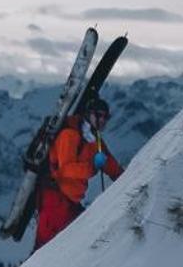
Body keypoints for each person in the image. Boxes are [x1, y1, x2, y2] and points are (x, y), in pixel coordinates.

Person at [35, 98, 123, 250]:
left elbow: (110, 164)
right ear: (89, 114)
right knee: (43, 250)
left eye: (105, 117)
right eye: (99, 115)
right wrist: (92, 167)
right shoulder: (70, 134)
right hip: (55, 200)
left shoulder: (94, 139)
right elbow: (65, 169)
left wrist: (125, 178)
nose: (102, 120)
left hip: (70, 203)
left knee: (69, 248)